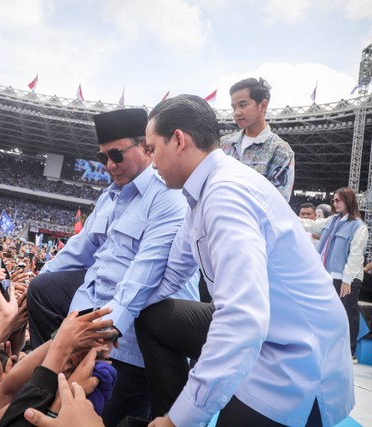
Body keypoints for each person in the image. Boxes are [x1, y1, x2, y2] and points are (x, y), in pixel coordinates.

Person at [136, 94, 353, 427]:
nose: (150, 162)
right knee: (153, 317)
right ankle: (166, 410)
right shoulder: (201, 193)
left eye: (152, 149)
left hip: (294, 351)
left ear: (179, 140)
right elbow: (170, 276)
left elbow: (243, 318)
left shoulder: (225, 194)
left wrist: (180, 420)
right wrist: (114, 322)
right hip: (267, 326)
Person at [27, 108, 199, 427]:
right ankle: (55, 366)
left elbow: (143, 277)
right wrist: (34, 299)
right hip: (102, 310)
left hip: (134, 332)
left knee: (100, 417)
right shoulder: (111, 197)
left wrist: (102, 331)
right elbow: (78, 252)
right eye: (103, 156)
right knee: (42, 290)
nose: (109, 165)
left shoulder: (168, 196)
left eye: (116, 154)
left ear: (146, 147)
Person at [300, 187, 368, 363]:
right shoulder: (332, 220)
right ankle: (327, 347)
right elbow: (310, 225)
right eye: (334, 201)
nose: (335, 204)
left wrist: (347, 280)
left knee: (348, 313)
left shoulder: (359, 227)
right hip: (328, 275)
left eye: (338, 200)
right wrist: (287, 216)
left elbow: (355, 256)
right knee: (327, 312)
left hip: (347, 279)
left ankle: (350, 351)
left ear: (349, 200)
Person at [221, 77, 294, 201]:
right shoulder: (223, 144)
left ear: (263, 106)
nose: (237, 113)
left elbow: (278, 203)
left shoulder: (280, 151)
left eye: (242, 105)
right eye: (234, 107)